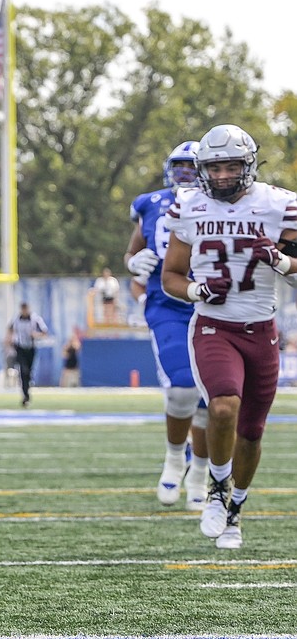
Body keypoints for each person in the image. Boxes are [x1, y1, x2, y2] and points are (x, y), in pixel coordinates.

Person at [162, 124, 297, 549]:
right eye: (213, 167)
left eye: (230, 166)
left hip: (261, 329)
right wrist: (196, 291)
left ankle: (236, 509)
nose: (221, 176)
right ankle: (218, 489)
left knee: (252, 431)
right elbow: (171, 276)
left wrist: (279, 260)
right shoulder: (188, 206)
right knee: (222, 407)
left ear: (248, 165)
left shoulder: (279, 205)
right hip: (213, 325)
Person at [124, 141, 209, 510]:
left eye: (192, 167)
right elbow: (133, 250)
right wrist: (132, 263)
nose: (184, 174)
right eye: (179, 166)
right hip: (168, 304)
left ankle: (203, 471)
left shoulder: (223, 206)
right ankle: (175, 457)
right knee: (181, 389)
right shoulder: (151, 203)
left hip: (213, 305)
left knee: (210, 401)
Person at [5, 302, 48, 407]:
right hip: (20, 348)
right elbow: (10, 329)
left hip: (31, 348)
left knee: (28, 372)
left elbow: (45, 332)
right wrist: (9, 340)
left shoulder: (35, 319)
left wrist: (35, 335)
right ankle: (25, 396)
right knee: (23, 370)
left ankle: (27, 390)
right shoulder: (16, 319)